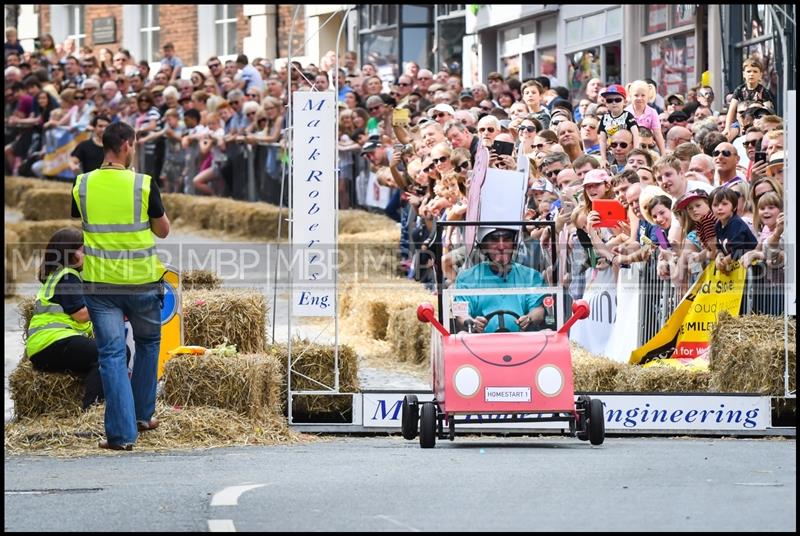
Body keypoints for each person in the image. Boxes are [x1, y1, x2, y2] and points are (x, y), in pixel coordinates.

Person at [71, 121, 170, 451]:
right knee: (148, 344)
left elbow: (82, 226)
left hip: (100, 286)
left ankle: (121, 436)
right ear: (126, 144)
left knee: (111, 356)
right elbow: (163, 230)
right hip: (141, 282)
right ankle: (143, 416)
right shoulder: (143, 184)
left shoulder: (82, 184)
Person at [26, 227, 104, 410]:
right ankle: (93, 410)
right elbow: (82, 315)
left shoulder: (61, 275)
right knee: (110, 354)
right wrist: (111, 303)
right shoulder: (67, 277)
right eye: (84, 250)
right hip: (52, 343)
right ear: (68, 253)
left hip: (47, 345)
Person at [454, 227, 546, 333]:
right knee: (462, 335)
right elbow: (460, 314)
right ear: (484, 246)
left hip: (522, 343)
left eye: (507, 239)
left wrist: (529, 319)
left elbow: (538, 310)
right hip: (479, 345)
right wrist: (472, 323)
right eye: (494, 240)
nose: (501, 246)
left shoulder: (531, 276)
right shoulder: (466, 278)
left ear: (514, 243)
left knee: (547, 333)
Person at [723, 58, 776, 140]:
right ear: (744, 74)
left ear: (760, 75)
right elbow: (731, 110)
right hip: (740, 122)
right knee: (727, 136)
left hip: (757, 122)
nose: (751, 74)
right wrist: (727, 128)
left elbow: (768, 112)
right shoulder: (739, 90)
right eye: (749, 71)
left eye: (755, 71)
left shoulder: (764, 91)